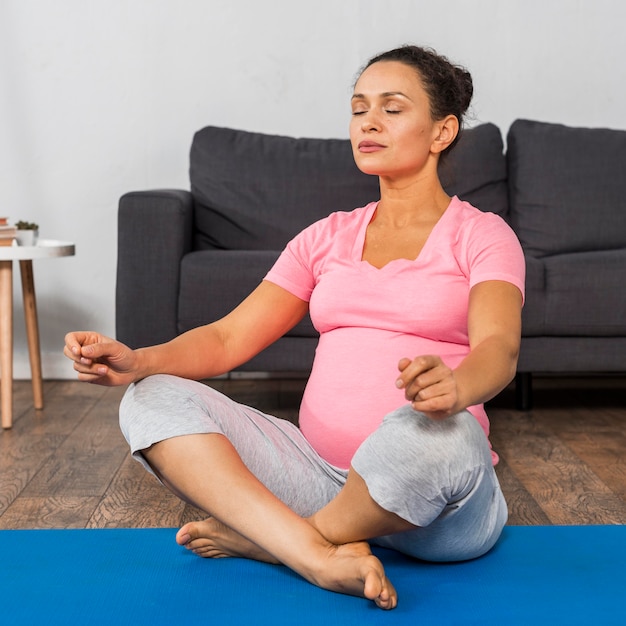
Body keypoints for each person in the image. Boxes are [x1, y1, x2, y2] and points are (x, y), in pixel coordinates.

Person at [64, 45, 525, 610]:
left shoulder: (482, 234)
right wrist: (140, 360)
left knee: (442, 432)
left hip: (439, 506)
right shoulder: (325, 237)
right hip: (316, 472)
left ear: (442, 131)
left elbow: (499, 349)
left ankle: (272, 540)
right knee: (149, 399)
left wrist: (458, 388)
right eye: (359, 109)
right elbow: (229, 338)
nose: (369, 123)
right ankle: (312, 550)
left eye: (393, 108)